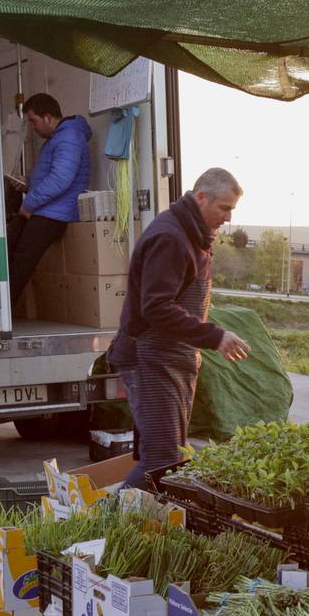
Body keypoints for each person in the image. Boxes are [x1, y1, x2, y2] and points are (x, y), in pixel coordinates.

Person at [109, 168, 251, 489]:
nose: (228, 217)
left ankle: (143, 522)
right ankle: (109, 520)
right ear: (202, 197)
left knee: (166, 454)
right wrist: (215, 336)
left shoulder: (191, 235)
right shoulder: (171, 238)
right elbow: (156, 307)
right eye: (224, 208)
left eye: (232, 209)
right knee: (163, 460)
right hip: (150, 359)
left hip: (170, 359)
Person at [7, 93, 91, 312]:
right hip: (44, 209)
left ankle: (3, 313)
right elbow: (54, 176)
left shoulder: (69, 137)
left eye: (33, 121)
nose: (32, 128)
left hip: (53, 214)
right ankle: (2, 310)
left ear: (47, 117)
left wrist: (29, 203)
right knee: (6, 248)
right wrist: (27, 183)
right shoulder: (60, 138)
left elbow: (60, 180)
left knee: (21, 261)